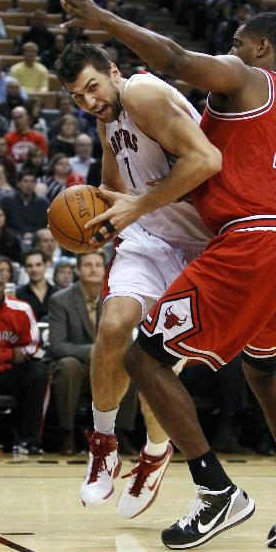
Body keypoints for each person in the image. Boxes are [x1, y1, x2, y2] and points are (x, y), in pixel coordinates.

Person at [58, 0, 276, 549]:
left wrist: (101, 15)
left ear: (262, 51)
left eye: (237, 42)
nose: (228, 49)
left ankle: (215, 490)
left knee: (144, 359)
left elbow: (177, 62)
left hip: (248, 241)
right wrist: (105, 209)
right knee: (264, 370)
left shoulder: (246, 79)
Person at [54, 41, 222, 518]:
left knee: (155, 363)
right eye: (76, 96)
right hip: (149, 238)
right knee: (112, 327)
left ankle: (154, 452)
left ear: (113, 71)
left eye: (92, 87)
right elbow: (116, 189)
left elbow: (207, 162)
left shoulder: (144, 92)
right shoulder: (105, 114)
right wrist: (96, 216)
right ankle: (103, 443)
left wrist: (136, 206)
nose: (87, 101)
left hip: (199, 249)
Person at [48, 251, 105, 454]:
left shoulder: (114, 299)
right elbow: (56, 345)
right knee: (68, 365)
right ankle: (67, 433)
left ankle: (120, 434)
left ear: (105, 270)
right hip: (79, 367)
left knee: (129, 365)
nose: (93, 268)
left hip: (105, 368)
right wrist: (94, 351)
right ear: (78, 270)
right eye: (88, 265)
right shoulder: (60, 300)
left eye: (98, 264)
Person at [0, 265, 49, 454]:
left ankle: (28, 441)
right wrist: (8, 355)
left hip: (12, 373)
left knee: (38, 372)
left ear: (4, 285)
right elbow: (17, 353)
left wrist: (0, 357)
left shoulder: (21, 308)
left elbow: (32, 345)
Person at [16, 249, 57, 322]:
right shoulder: (18, 295)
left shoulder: (57, 293)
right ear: (25, 269)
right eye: (29, 266)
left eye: (38, 265)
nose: (34, 269)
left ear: (45, 265)